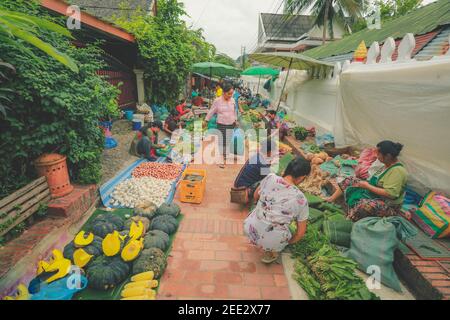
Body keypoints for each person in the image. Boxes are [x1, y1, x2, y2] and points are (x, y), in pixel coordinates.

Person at [244, 157, 311, 264]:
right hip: (272, 241)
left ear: (287, 169)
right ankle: (271, 252)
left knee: (261, 212)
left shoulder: (270, 177)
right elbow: (300, 233)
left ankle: (256, 238)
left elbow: (256, 196)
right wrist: (287, 242)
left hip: (249, 227)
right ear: (302, 177)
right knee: (289, 230)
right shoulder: (301, 199)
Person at [326, 141, 408, 222]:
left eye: (379, 154)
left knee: (365, 205)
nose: (377, 156)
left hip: (388, 205)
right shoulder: (385, 166)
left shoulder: (397, 171)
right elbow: (372, 181)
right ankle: (331, 199)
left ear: (388, 156)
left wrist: (367, 186)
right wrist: (364, 184)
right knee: (350, 180)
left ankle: (348, 221)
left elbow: (391, 194)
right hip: (375, 195)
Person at [205, 82, 237, 169]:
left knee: (228, 141)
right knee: (222, 142)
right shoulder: (217, 101)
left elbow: (234, 111)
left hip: (231, 124)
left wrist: (235, 119)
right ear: (223, 92)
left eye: (232, 93)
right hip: (221, 124)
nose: (230, 95)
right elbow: (211, 111)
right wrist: (206, 120)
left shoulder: (233, 100)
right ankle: (222, 160)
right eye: (229, 93)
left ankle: (225, 157)